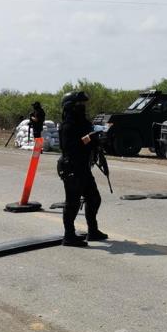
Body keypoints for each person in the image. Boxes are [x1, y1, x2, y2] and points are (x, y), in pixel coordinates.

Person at [57, 91, 108, 247]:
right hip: (72, 168)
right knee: (72, 203)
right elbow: (69, 148)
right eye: (79, 105)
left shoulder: (83, 123)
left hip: (83, 168)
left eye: (83, 104)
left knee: (94, 198)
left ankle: (93, 230)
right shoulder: (68, 125)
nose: (83, 107)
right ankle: (69, 236)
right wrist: (88, 139)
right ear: (71, 107)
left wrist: (98, 139)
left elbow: (89, 142)